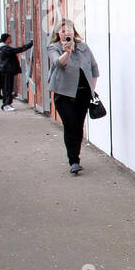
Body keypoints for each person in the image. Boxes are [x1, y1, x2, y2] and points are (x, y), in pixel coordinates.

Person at [45, 21, 99, 174]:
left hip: (82, 93)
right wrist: (67, 52)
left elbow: (94, 68)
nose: (66, 32)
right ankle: (73, 160)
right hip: (64, 94)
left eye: (69, 29)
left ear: (73, 31)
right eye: (63, 30)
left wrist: (92, 89)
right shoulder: (54, 47)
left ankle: (76, 155)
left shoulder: (83, 47)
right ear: (58, 34)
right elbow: (58, 63)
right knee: (71, 125)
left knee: (79, 126)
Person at [0, 32, 34, 110]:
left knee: (7, 87)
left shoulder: (3, 48)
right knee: (8, 87)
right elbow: (19, 49)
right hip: (7, 70)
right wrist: (31, 44)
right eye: (9, 38)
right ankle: (7, 104)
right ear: (6, 39)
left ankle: (6, 104)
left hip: (6, 70)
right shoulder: (5, 48)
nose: (11, 40)